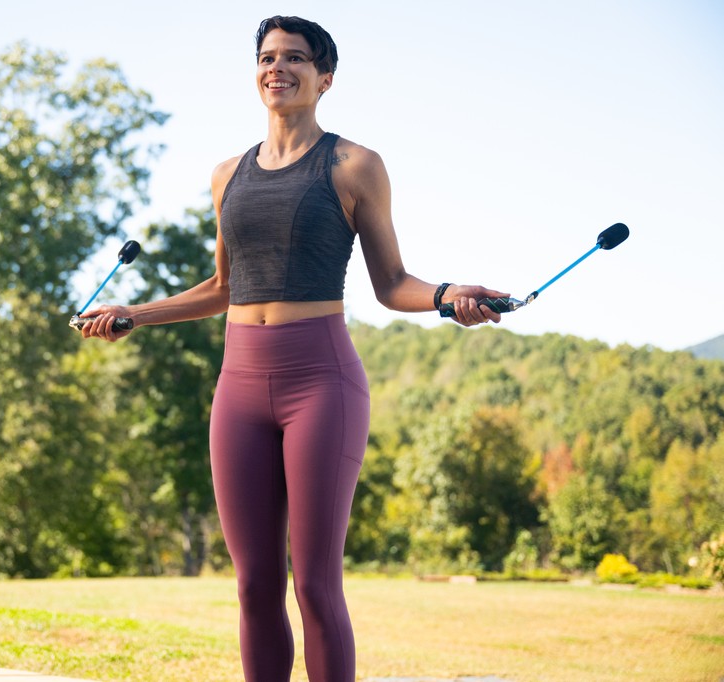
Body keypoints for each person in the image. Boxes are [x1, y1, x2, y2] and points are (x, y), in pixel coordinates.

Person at [78, 15, 507, 682]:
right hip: (239, 386)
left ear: (324, 78)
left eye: (295, 58)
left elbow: (391, 283)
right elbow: (223, 288)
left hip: (321, 383)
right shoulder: (227, 175)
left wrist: (450, 295)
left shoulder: (354, 165)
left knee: (313, 583)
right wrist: (132, 313)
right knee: (253, 586)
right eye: (267, 57)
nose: (277, 67)